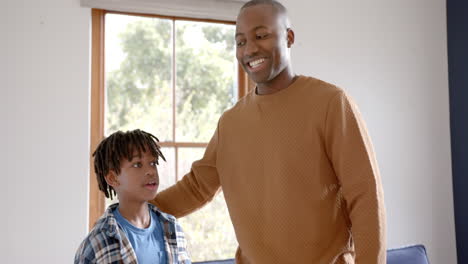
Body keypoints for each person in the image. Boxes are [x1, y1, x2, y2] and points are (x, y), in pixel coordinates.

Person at [151, 0, 386, 263]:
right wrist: (135, 212)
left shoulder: (331, 103)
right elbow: (195, 188)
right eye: (240, 42)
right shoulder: (230, 123)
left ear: (289, 37)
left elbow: (365, 197)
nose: (250, 49)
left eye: (261, 36)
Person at [75, 129, 191, 264]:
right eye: (137, 165)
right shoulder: (98, 240)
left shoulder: (172, 228)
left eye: (153, 163)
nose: (150, 171)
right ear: (113, 178)